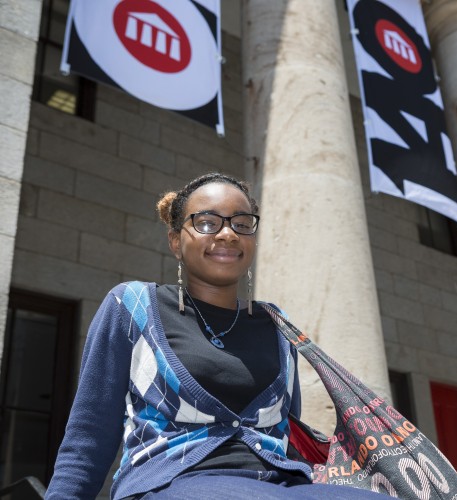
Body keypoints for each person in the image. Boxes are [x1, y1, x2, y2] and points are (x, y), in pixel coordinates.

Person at [46, 173, 388, 499]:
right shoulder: (132, 305)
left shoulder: (277, 325)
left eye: (241, 223)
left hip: (285, 483)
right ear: (176, 241)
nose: (227, 234)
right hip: (173, 483)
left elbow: (287, 431)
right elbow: (89, 436)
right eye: (207, 222)